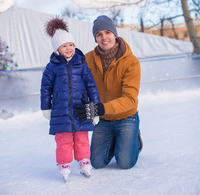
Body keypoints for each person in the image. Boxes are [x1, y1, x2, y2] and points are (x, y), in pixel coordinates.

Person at [74, 15, 142, 170]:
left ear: (115, 34)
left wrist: (100, 108)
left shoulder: (131, 62)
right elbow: (78, 84)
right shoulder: (87, 59)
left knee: (125, 162)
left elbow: (130, 99)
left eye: (107, 32)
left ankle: (133, 138)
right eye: (99, 34)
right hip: (103, 119)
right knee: (97, 163)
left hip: (126, 117)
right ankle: (116, 140)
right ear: (95, 38)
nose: (104, 37)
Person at [40, 17, 101, 182]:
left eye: (71, 45)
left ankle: (83, 161)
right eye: (65, 45)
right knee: (63, 140)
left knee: (82, 138)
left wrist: (95, 109)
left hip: (80, 109)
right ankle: (64, 164)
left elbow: (91, 86)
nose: (69, 48)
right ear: (57, 49)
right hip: (60, 111)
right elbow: (45, 88)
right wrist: (46, 107)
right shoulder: (51, 67)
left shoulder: (81, 64)